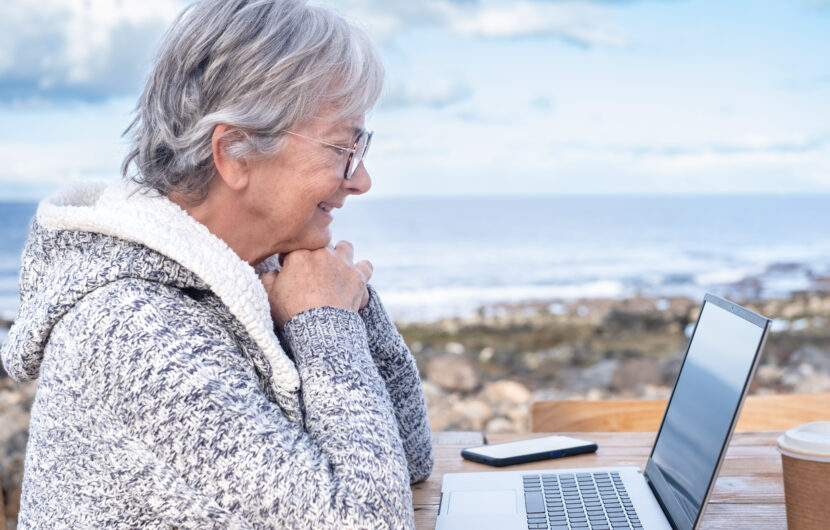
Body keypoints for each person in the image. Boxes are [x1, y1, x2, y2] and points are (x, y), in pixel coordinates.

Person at [0, 0, 433, 528]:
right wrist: (326, 324)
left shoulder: (248, 273)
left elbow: (409, 457)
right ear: (234, 153)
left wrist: (346, 299)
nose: (361, 179)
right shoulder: (131, 332)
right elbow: (372, 522)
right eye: (344, 147)